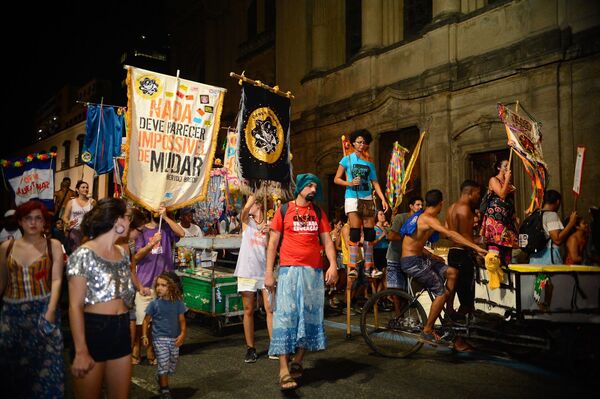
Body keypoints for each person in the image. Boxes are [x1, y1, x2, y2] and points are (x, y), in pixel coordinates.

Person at [265, 173, 338, 391]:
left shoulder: (318, 212)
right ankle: (283, 369)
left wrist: (333, 264)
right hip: (288, 271)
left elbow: (326, 240)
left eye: (316, 186)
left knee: (309, 316)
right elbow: (273, 243)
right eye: (310, 185)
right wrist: (269, 272)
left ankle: (298, 360)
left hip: (313, 273)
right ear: (300, 188)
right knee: (285, 319)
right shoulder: (284, 210)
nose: (314, 189)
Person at [67, 198, 135, 399]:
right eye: (128, 218)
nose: (130, 223)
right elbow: (74, 306)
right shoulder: (83, 254)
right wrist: (81, 351)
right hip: (93, 330)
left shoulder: (123, 253)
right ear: (117, 221)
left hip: (121, 328)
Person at [401, 189, 487, 344]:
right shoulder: (428, 219)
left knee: (452, 272)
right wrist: (476, 247)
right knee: (441, 293)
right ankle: (427, 330)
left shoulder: (424, 217)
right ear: (441, 203)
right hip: (412, 262)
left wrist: (430, 255)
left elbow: (416, 241)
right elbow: (451, 234)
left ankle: (448, 312)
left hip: (420, 257)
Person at [0, 200, 64, 398]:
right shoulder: (6, 247)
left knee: (46, 370)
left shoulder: (53, 245)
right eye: (28, 218)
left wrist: (51, 311)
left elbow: (56, 280)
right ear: (20, 221)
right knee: (13, 371)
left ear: (45, 222)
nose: (33, 223)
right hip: (12, 315)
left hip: (43, 310)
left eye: (39, 218)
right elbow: (2, 281)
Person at [334, 129, 389, 278]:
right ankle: (353, 267)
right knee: (355, 232)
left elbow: (375, 183)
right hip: (352, 197)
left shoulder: (369, 163)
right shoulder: (347, 159)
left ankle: (369, 267)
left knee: (370, 233)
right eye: (359, 142)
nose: (361, 144)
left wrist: (382, 198)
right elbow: (336, 179)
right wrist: (349, 183)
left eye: (364, 142)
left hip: (367, 198)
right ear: (353, 143)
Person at [134, 206, 185, 364]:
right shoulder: (141, 231)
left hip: (164, 283)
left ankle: (151, 350)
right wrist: (151, 244)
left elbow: (181, 233)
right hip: (145, 282)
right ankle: (136, 348)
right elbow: (136, 257)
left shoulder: (166, 227)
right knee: (141, 320)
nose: (159, 210)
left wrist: (167, 217)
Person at [233, 195, 273, 363]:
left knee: (270, 308)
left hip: (264, 271)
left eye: (256, 203)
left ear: (260, 205)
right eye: (251, 203)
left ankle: (275, 345)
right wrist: (250, 200)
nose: (252, 206)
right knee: (249, 309)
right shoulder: (246, 221)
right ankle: (251, 348)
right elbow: (242, 215)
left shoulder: (270, 222)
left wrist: (269, 231)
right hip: (247, 270)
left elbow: (273, 247)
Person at [115, 207, 153, 365]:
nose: (141, 234)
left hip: (128, 297)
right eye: (140, 229)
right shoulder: (111, 242)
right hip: (111, 301)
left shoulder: (130, 244)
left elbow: (131, 268)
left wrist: (140, 287)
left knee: (128, 341)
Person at [142, 272, 187, 399]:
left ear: (171, 287)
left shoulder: (178, 303)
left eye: (163, 285)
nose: (159, 288)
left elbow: (182, 321)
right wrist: (144, 336)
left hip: (174, 338)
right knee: (163, 363)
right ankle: (165, 389)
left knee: (172, 365)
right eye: (157, 285)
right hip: (159, 338)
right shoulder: (154, 304)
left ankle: (160, 376)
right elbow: (146, 320)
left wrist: (183, 334)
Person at [445, 180, 481, 317]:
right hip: (463, 254)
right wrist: (479, 250)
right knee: (467, 297)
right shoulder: (465, 209)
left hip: (453, 252)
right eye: (477, 193)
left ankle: (452, 316)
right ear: (470, 192)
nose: (479, 196)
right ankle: (464, 326)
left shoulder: (451, 207)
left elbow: (449, 233)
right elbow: (465, 237)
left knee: (457, 289)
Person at [386, 196, 423, 312]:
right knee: (397, 288)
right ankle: (398, 315)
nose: (420, 207)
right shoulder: (401, 217)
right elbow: (391, 236)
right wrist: (407, 238)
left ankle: (407, 313)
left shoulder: (420, 220)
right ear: (411, 206)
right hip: (395, 256)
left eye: (422, 205)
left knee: (409, 287)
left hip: (409, 257)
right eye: (418, 205)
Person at [480, 159, 518, 265]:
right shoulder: (493, 179)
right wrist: (506, 180)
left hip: (506, 219)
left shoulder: (508, 183)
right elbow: (501, 194)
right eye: (505, 166)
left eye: (509, 166)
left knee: (507, 247)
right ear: (498, 168)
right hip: (495, 219)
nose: (507, 168)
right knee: (495, 250)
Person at [529, 190, 577, 265]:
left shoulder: (534, 215)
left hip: (534, 260)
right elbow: (557, 240)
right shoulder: (551, 215)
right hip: (549, 261)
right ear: (558, 202)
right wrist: (571, 223)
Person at [63, 180, 96, 253]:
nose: (86, 189)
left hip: (87, 231)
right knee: (76, 251)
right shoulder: (71, 202)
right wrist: (68, 222)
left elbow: (97, 216)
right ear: (77, 190)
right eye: (83, 187)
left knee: (86, 252)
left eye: (87, 187)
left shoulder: (92, 202)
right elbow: (65, 217)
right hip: (75, 230)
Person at [372, 210, 389, 279]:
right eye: (381, 214)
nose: (383, 216)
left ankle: (384, 289)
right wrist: (382, 236)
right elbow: (372, 243)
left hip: (386, 251)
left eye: (383, 214)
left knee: (385, 275)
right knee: (379, 276)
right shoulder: (374, 229)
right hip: (378, 252)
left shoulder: (386, 228)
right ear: (376, 217)